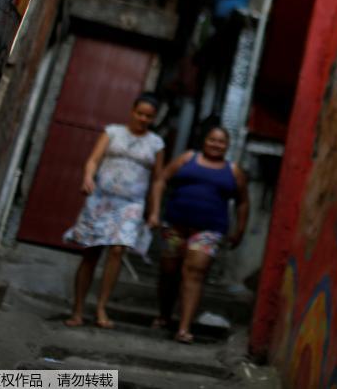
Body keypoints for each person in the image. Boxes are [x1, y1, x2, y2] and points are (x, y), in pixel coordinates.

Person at [63, 93, 165, 329]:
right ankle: (78, 310)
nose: (143, 118)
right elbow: (93, 160)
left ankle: (101, 307)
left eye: (149, 116)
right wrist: (88, 177)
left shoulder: (156, 143)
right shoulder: (112, 132)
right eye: (140, 113)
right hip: (101, 199)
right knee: (91, 252)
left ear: (154, 118)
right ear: (132, 111)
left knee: (118, 250)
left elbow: (158, 180)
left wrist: (155, 211)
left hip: (131, 203)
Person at [147, 124, 249, 344]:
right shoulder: (187, 158)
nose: (216, 144)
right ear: (204, 141)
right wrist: (154, 212)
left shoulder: (233, 171)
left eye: (221, 141)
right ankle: (164, 315)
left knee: (194, 273)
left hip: (208, 231)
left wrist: (239, 229)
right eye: (212, 139)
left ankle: (184, 328)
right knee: (169, 270)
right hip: (175, 227)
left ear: (228, 146)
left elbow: (243, 202)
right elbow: (161, 180)